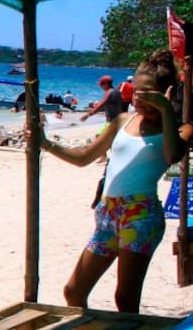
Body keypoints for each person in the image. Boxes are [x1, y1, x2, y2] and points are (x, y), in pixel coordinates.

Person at [32, 49, 186, 315]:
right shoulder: (123, 121)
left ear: (166, 93)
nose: (139, 98)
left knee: (125, 298)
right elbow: (83, 157)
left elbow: (173, 155)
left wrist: (164, 110)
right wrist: (44, 143)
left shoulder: (181, 128)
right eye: (136, 91)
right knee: (74, 291)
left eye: (148, 93)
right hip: (107, 214)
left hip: (140, 216)